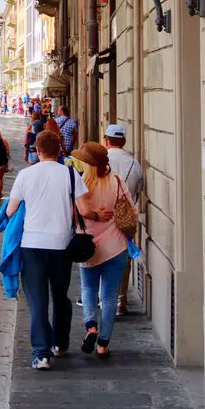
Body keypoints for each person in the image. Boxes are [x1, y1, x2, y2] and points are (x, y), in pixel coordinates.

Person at [5, 126, 83, 369]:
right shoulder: (71, 175)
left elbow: (10, 210)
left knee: (38, 301)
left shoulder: (26, 176)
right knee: (61, 296)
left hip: (33, 244)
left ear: (37, 151)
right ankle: (60, 343)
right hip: (61, 244)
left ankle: (42, 353)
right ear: (59, 150)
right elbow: (83, 209)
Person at [72, 142, 133, 358]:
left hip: (88, 247)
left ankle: (91, 327)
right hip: (116, 247)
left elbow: (72, 213)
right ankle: (103, 344)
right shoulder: (117, 182)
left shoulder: (81, 185)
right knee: (108, 297)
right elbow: (130, 211)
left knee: (88, 289)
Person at [104, 124, 146, 204]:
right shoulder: (135, 163)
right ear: (124, 142)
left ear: (107, 141)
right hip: (127, 213)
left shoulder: (98, 160)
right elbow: (137, 193)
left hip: (104, 213)